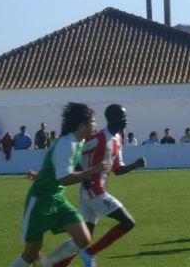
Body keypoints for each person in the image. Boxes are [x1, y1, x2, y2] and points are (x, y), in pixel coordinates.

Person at [43, 104, 146, 267]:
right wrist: (85, 178)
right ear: (112, 118)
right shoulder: (99, 138)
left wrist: (135, 165)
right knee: (128, 222)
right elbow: (75, 153)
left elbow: (117, 169)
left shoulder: (118, 139)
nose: (126, 119)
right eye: (122, 116)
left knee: (82, 240)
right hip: (94, 192)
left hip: (92, 193)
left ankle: (52, 264)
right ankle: (90, 252)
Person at [10, 102, 107, 267]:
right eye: (92, 121)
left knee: (83, 238)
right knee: (31, 252)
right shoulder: (66, 144)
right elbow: (65, 178)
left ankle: (47, 264)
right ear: (81, 124)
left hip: (57, 199)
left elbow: (57, 168)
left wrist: (40, 175)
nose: (95, 125)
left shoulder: (78, 141)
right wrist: (93, 170)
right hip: (40, 201)